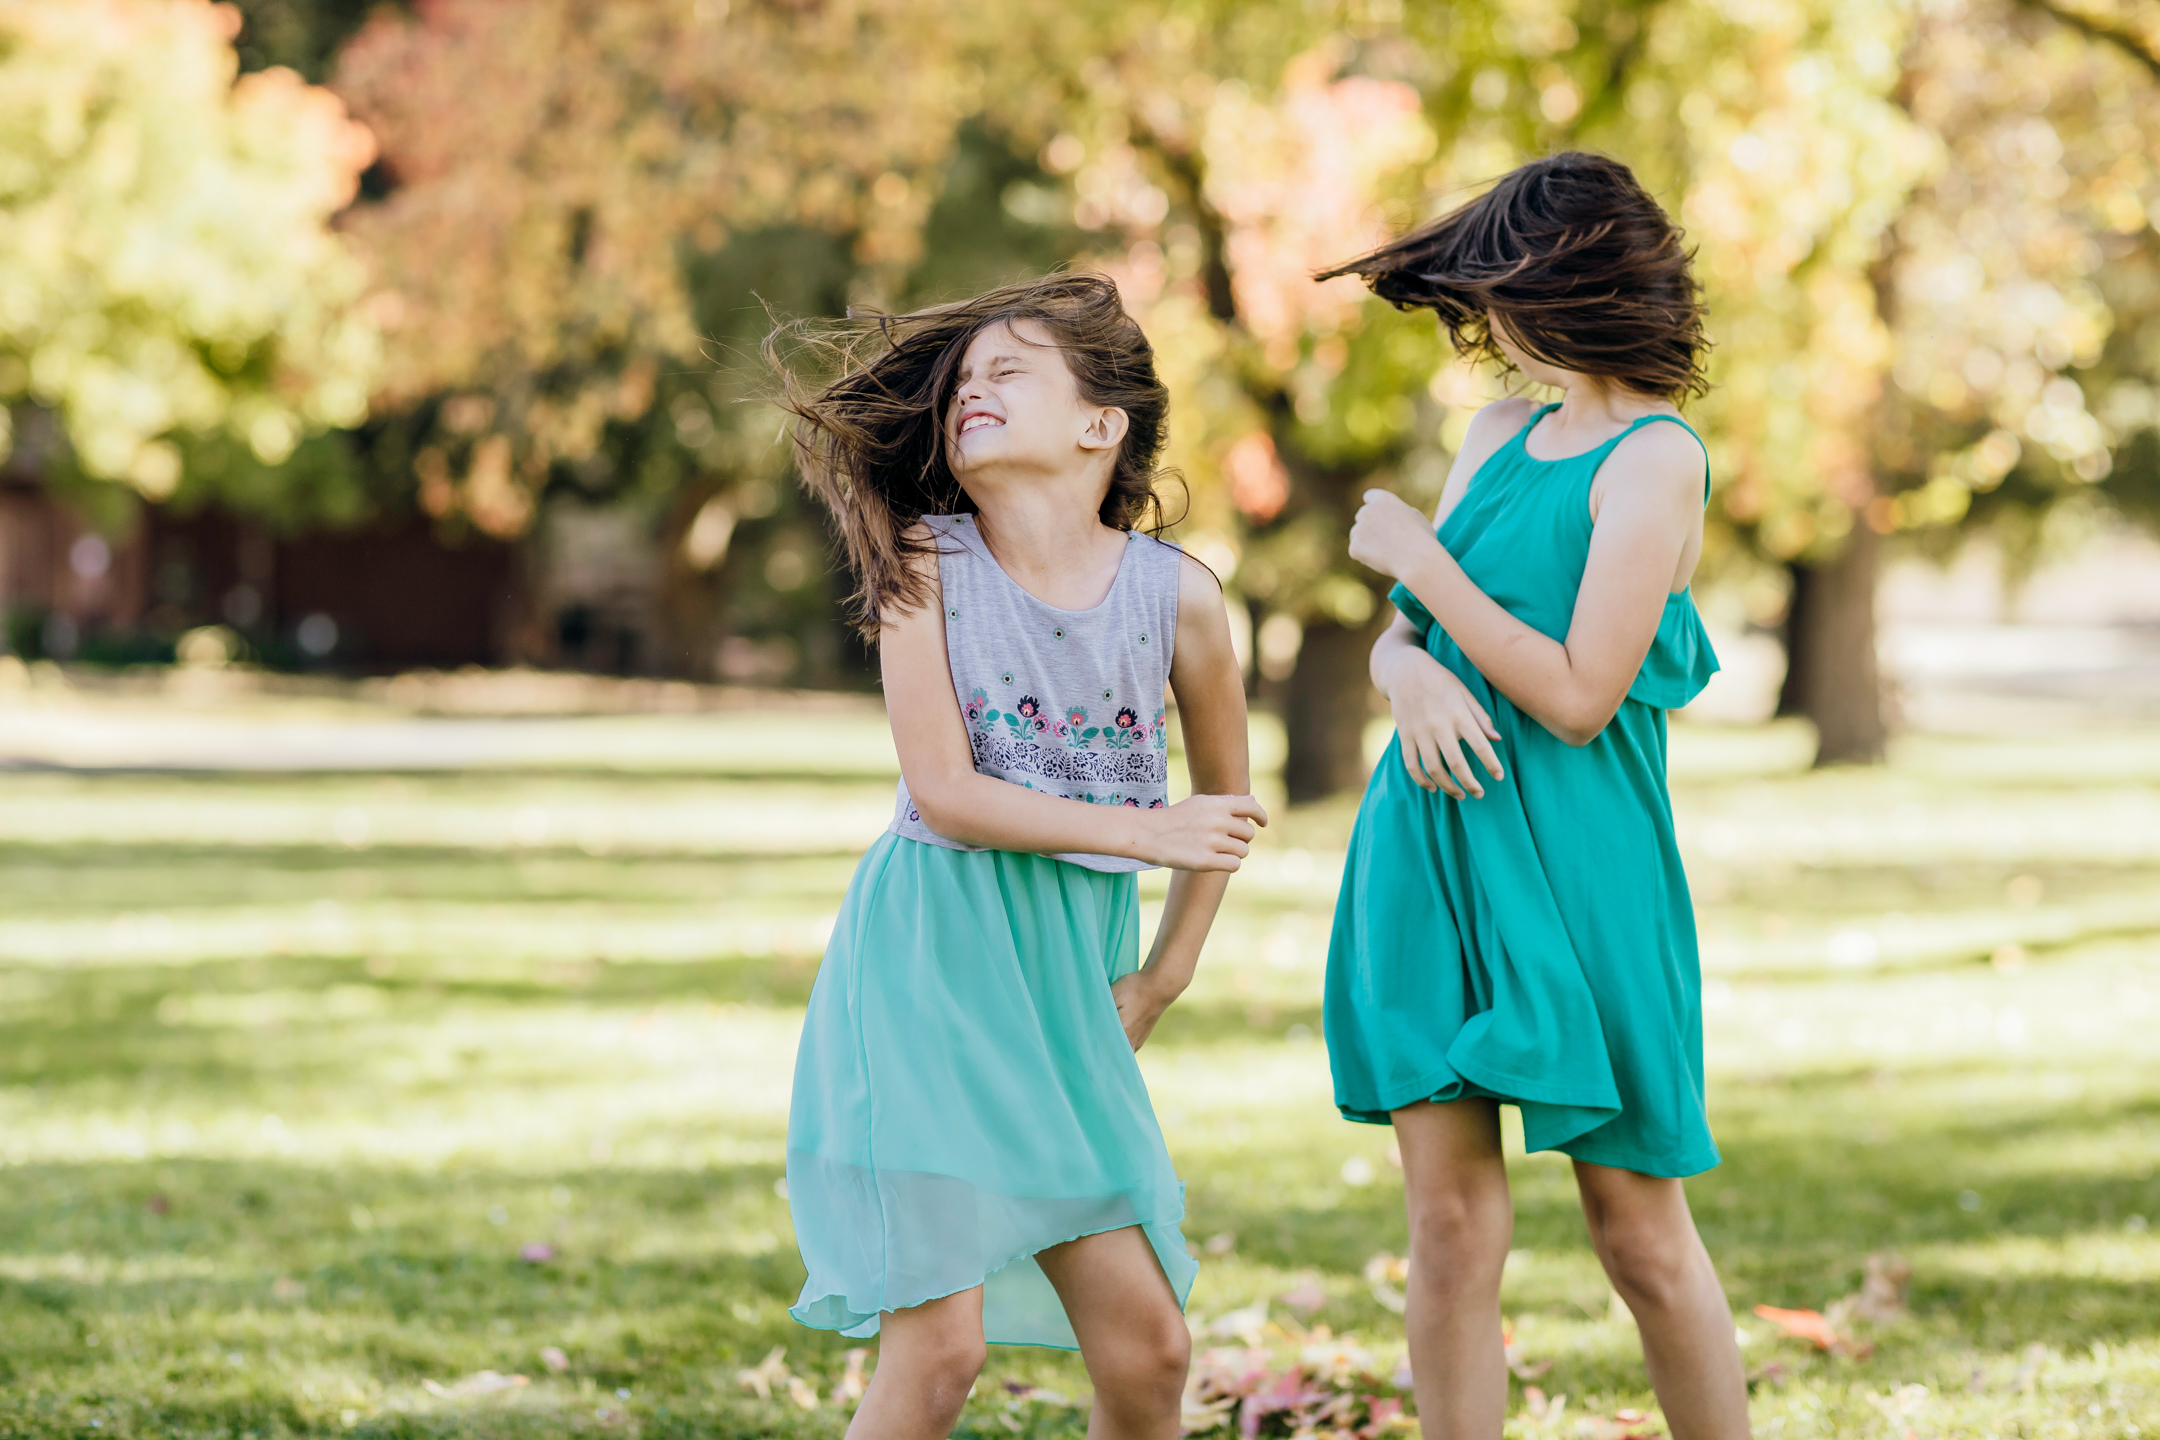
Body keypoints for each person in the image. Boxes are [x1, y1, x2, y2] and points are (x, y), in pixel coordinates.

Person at [770, 273, 1265, 1440]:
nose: (970, 395)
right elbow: (946, 794)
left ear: (1105, 425)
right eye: (963, 383)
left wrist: (1166, 971)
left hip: (1065, 991)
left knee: (1150, 1352)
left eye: (1009, 373)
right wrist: (1141, 832)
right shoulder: (925, 565)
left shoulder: (1181, 599)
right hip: (931, 969)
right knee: (940, 1354)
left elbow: (1226, 802)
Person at [1315, 152, 1751, 1440]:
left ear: (1564, 286)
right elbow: (1409, 641)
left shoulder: (1657, 459)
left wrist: (1416, 565)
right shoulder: (1497, 434)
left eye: (1496, 293)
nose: (1482, 329)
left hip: (1581, 867)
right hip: (1432, 847)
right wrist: (1407, 681)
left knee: (1638, 1232)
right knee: (1448, 1229)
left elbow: (1576, 693)